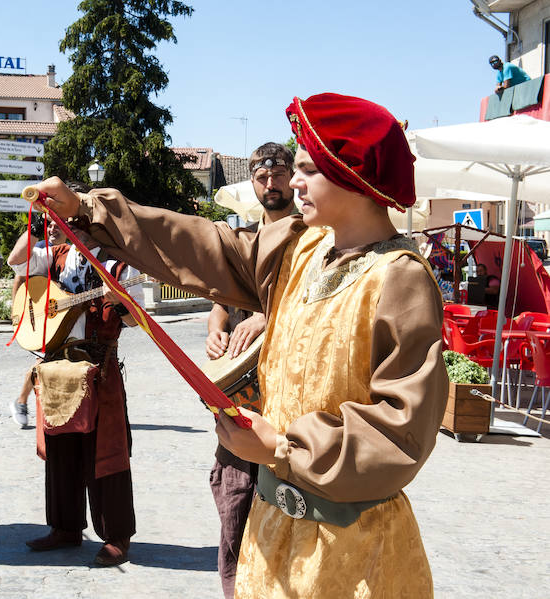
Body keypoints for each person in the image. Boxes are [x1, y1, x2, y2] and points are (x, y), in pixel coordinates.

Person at [29, 93, 448, 597]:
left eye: (308, 169)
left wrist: (282, 447)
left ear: (352, 175)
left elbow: (401, 430)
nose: (293, 182)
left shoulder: (399, 279)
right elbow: (206, 248)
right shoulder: (302, 246)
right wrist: (88, 209)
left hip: (350, 550)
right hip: (271, 535)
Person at [8, 192, 143, 567]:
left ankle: (116, 535)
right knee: (61, 453)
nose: (65, 224)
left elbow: (135, 321)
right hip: (57, 369)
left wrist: (121, 303)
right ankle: (65, 528)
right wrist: (38, 226)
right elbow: (17, 261)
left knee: (106, 453)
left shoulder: (119, 267)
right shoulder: (57, 255)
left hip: (99, 370)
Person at [204, 142, 296, 599]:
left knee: (285, 517)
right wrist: (216, 330)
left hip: (289, 404)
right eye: (262, 177)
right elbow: (220, 305)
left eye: (278, 175)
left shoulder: (309, 238)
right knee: (234, 507)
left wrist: (268, 314)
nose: (271, 184)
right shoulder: (245, 242)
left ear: (292, 178)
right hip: (241, 401)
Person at [9, 217, 65, 428]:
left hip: (62, 313)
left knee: (51, 360)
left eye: (57, 223)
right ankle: (21, 400)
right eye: (49, 224)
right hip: (41, 315)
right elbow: (19, 279)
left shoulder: (73, 250)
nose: (52, 228)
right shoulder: (41, 248)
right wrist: (17, 314)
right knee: (45, 360)